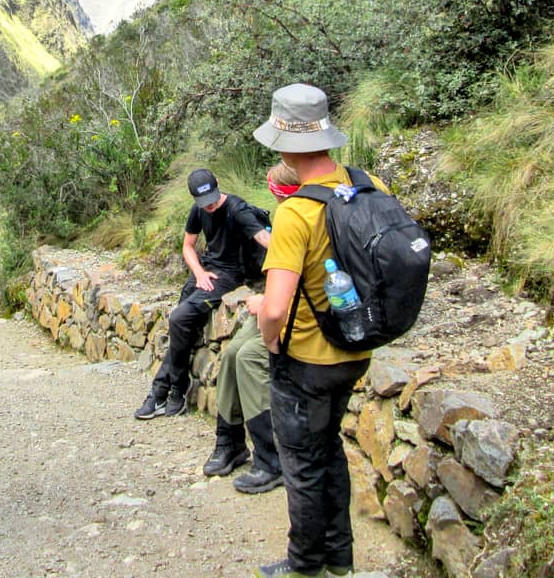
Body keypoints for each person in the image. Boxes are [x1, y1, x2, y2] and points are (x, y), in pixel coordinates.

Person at [246, 84, 383, 578]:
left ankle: (305, 566)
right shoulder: (369, 185)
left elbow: (276, 307)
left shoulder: (296, 212)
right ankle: (339, 558)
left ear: (284, 141)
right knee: (330, 452)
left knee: (302, 465)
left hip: (307, 360)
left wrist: (267, 333)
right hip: (357, 346)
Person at [135, 168, 271, 420]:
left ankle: (169, 389)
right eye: (203, 203)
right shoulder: (198, 209)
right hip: (206, 271)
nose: (209, 207)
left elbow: (267, 240)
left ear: (218, 184)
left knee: (179, 320)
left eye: (211, 201)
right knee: (179, 326)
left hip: (227, 276)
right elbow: (188, 246)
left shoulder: (237, 210)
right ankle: (167, 390)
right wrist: (198, 273)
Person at [203, 162, 300, 494]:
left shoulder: (302, 220)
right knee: (231, 353)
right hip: (279, 302)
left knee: (249, 358)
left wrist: (268, 310)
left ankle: (271, 460)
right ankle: (229, 442)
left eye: (272, 185)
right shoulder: (292, 217)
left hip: (298, 315)